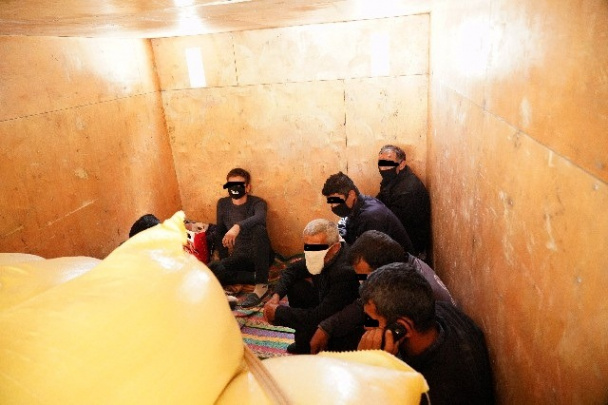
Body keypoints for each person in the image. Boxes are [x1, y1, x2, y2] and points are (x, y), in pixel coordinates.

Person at [357, 263, 495, 405]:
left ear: (401, 327)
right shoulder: (440, 310)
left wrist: (368, 371)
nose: (367, 326)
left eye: (371, 320)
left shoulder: (433, 393)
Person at [310, 230, 454, 354]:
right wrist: (327, 327)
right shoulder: (401, 267)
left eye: (365, 277)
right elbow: (363, 303)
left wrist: (374, 362)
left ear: (383, 270)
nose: (362, 282)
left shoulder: (411, 289)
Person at [262, 219, 360, 354]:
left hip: (340, 323)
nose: (310, 252)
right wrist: (276, 295)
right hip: (323, 302)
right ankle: (303, 343)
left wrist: (278, 313)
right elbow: (292, 270)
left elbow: (320, 316)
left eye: (315, 249)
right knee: (297, 287)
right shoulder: (326, 254)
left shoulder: (344, 272)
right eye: (307, 247)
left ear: (335, 248)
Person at [208, 168, 273, 308]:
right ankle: (253, 277)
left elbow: (260, 217)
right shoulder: (223, 204)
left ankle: (261, 284)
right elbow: (220, 232)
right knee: (212, 270)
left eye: (239, 185)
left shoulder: (258, 203)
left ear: (248, 187)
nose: (235, 188)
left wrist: (237, 227)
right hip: (240, 257)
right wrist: (224, 261)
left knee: (259, 229)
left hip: (261, 256)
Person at [321, 171, 415, 254]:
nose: (333, 206)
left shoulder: (370, 217)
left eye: (336, 201)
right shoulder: (359, 205)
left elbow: (369, 256)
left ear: (351, 194)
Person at [377, 144, 431, 258]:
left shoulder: (407, 191)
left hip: (410, 249)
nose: (383, 168)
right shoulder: (393, 179)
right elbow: (379, 201)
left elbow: (395, 223)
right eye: (381, 163)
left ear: (401, 164)